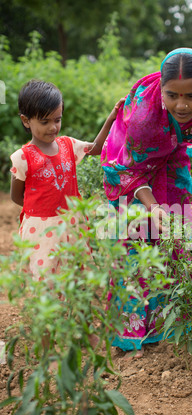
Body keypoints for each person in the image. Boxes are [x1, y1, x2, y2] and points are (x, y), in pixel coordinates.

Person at [94, 47, 192, 355]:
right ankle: (130, 331)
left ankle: (173, 323)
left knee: (181, 237)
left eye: (191, 96)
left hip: (172, 159)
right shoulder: (144, 112)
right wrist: (153, 206)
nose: (182, 105)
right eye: (172, 95)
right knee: (133, 240)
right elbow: (127, 167)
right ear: (161, 90)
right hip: (126, 166)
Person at [10, 79, 123, 280]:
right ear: (26, 121)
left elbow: (96, 148)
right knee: (46, 280)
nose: (53, 127)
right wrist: (43, 210)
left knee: (76, 277)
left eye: (57, 119)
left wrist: (111, 119)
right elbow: (17, 196)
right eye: (45, 122)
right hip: (41, 230)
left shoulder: (68, 145)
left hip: (72, 224)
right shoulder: (22, 157)